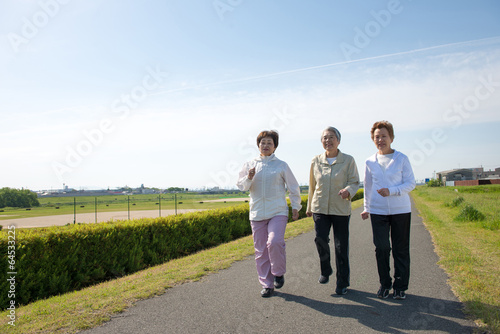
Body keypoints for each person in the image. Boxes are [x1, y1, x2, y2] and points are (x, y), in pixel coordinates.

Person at [237, 130, 302, 298]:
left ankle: (278, 273)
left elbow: (293, 187)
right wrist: (249, 178)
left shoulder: (281, 165)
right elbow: (242, 186)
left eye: (269, 143)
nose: (265, 145)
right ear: (258, 145)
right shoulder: (250, 164)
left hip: (277, 211)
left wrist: (296, 206)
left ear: (275, 147)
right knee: (260, 250)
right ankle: (267, 284)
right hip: (257, 213)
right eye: (263, 142)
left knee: (274, 242)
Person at [360, 121, 416, 300]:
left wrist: (391, 191)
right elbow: (367, 186)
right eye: (377, 137)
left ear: (391, 138)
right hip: (378, 211)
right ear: (373, 139)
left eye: (384, 136)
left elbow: (410, 183)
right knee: (382, 248)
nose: (380, 139)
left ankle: (400, 286)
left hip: (400, 210)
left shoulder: (401, 158)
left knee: (400, 249)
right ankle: (385, 284)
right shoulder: (370, 161)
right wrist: (366, 208)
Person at [306, 126, 360, 295]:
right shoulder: (316, 160)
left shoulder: (348, 160)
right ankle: (325, 269)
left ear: (338, 141)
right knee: (320, 240)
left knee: (340, 246)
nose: (328, 141)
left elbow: (354, 181)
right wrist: (309, 207)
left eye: (331, 138)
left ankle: (342, 282)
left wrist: (348, 191)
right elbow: (312, 186)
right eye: (325, 138)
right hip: (320, 208)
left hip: (340, 209)